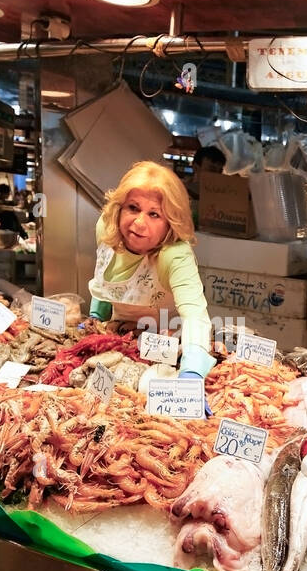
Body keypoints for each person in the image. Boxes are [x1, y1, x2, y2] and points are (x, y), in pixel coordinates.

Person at [88, 160, 215, 409]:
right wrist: (95, 318)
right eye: (133, 208)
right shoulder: (107, 228)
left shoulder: (175, 255)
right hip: (117, 338)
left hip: (167, 346)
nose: (138, 223)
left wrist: (192, 373)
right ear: (119, 209)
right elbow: (104, 274)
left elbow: (195, 316)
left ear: (171, 222)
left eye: (154, 214)